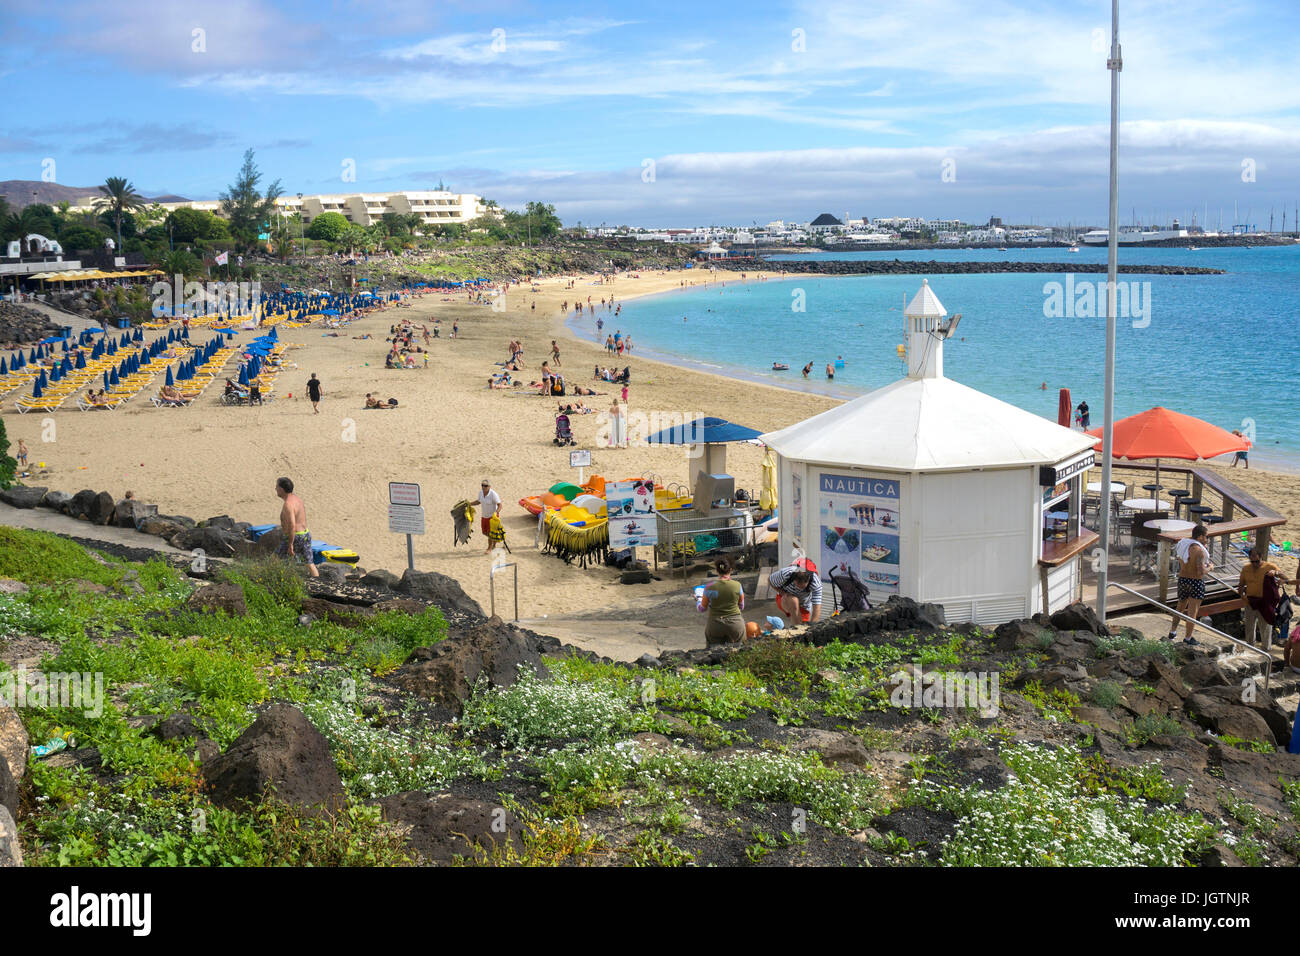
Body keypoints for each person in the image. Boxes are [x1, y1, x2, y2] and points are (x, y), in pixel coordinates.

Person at [1168, 524, 1210, 643]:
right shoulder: (1199, 552)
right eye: (1206, 536)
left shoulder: (1182, 544)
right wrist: (1210, 567)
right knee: (1193, 612)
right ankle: (1188, 638)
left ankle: (1172, 632)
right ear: (1201, 537)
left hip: (1183, 579)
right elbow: (1201, 571)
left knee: (1179, 607)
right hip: (1195, 581)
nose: (1207, 539)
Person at [275, 477, 318, 579]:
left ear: (281, 489)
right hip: (305, 534)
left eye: (276, 486)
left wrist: (290, 544)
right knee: (309, 563)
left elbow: (292, 525)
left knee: (275, 559)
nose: (275, 488)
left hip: (295, 537)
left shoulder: (288, 505)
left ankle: (273, 582)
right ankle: (319, 584)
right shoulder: (297, 499)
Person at [700, 557, 747, 645]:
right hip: (735, 624)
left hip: (715, 625)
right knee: (740, 651)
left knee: (713, 653)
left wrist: (698, 601)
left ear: (717, 571)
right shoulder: (737, 585)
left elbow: (702, 609)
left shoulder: (709, 587)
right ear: (731, 570)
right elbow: (741, 606)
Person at [1238, 547, 1280, 645]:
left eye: (1257, 561)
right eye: (1252, 562)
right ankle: (1250, 647)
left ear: (1261, 557)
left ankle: (1266, 649)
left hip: (1265, 602)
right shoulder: (1246, 568)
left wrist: (1275, 572)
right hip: (1250, 602)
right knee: (1249, 627)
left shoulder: (1269, 566)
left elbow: (1284, 576)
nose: (1255, 564)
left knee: (1265, 628)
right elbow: (1241, 585)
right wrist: (1242, 596)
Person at [476, 479, 502, 552]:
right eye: (482, 485)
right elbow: (478, 501)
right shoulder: (480, 493)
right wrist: (469, 504)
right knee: (484, 532)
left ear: (489, 486)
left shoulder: (493, 494)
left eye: (485, 486)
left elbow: (500, 505)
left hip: (492, 516)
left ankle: (490, 548)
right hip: (484, 515)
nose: (483, 487)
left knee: (490, 533)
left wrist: (496, 512)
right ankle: (495, 540)